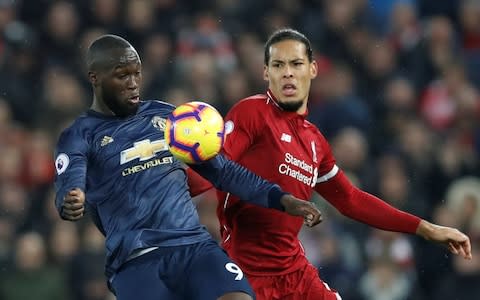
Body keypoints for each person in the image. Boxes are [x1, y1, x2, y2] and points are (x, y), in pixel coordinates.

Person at [53, 34, 322, 300]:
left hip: (194, 246)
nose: (134, 84)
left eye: (137, 73)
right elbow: (70, 182)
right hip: (137, 260)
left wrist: (282, 199)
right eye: (122, 75)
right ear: (95, 77)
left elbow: (223, 171)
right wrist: (72, 198)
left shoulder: (167, 117)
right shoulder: (80, 134)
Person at [215, 28, 473, 300]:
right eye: (278, 65)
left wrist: (427, 229)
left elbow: (351, 200)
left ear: (312, 69)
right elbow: (215, 166)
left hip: (295, 273)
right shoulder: (252, 113)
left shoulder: (314, 141)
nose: (288, 72)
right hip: (245, 274)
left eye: (296, 63)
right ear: (266, 73)